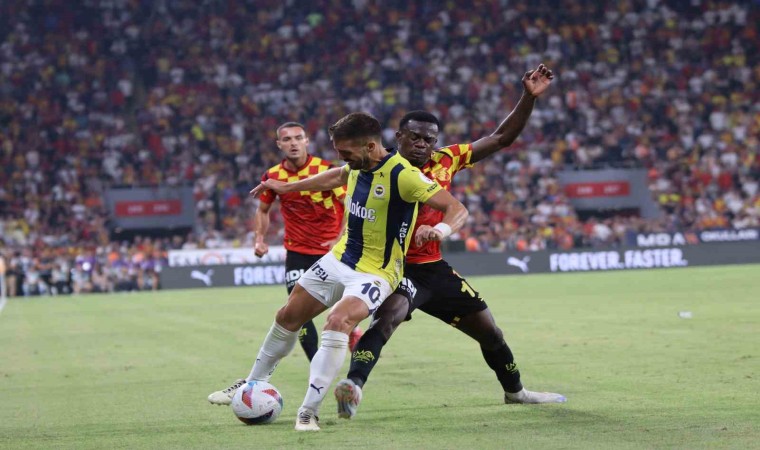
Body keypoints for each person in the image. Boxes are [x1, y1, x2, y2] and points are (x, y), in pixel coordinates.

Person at [208, 112, 468, 431]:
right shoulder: (358, 164)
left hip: (376, 273)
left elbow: (457, 208)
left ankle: (308, 411)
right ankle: (252, 384)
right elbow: (334, 177)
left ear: (370, 146)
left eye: (345, 152)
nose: (341, 157)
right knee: (287, 316)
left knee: (338, 321)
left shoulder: (404, 175)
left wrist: (439, 230)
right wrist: (287, 188)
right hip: (339, 259)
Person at [333, 64, 565, 420]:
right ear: (398, 136)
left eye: (429, 139)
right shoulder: (378, 165)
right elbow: (335, 176)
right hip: (394, 267)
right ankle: (353, 387)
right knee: (388, 318)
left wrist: (527, 98)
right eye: (415, 137)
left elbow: (501, 138)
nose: (422, 144)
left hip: (434, 269)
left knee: (491, 332)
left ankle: (516, 392)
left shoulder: (447, 159)